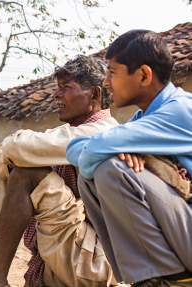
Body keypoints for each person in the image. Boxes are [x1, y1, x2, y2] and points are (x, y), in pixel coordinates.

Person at [0, 55, 121, 287]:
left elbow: (16, 148)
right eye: (58, 88)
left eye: (66, 88)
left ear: (95, 95)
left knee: (26, 172)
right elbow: (9, 155)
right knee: (19, 168)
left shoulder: (99, 133)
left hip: (94, 259)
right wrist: (12, 155)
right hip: (71, 250)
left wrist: (12, 154)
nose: (57, 94)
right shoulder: (71, 132)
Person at [66, 30, 192, 286]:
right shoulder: (143, 118)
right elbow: (75, 149)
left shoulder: (180, 111)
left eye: (113, 72)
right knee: (91, 176)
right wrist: (108, 148)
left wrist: (108, 149)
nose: (107, 82)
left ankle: (170, 279)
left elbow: (93, 148)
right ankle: (149, 279)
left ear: (144, 75)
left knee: (111, 167)